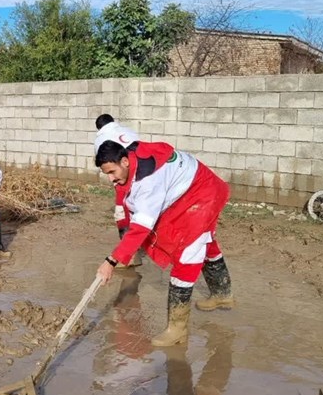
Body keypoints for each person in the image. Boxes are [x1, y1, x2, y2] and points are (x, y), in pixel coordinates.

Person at [94, 139, 235, 347]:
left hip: (202, 193)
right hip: (192, 186)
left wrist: (111, 261)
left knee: (188, 252)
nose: (110, 179)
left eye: (112, 172)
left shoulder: (149, 182)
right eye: (106, 173)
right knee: (205, 241)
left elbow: (141, 228)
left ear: (124, 161)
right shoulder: (133, 156)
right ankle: (223, 293)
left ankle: (177, 330)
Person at [94, 114, 142, 267]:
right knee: (137, 211)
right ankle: (135, 249)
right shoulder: (128, 131)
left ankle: (130, 257)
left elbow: (104, 162)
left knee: (122, 214)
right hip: (141, 174)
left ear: (99, 128)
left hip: (125, 178)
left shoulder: (101, 139)